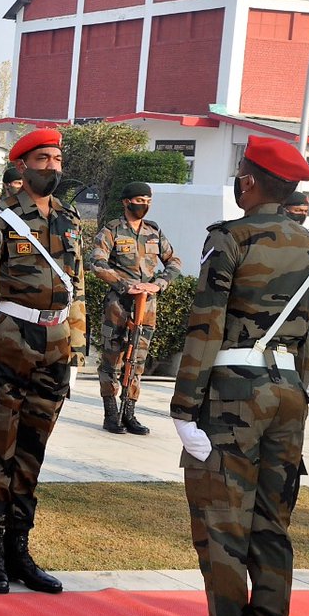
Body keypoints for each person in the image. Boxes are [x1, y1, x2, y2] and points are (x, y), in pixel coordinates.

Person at [171, 138, 309, 616]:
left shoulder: (230, 237)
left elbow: (206, 326)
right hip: (288, 391)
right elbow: (308, 333)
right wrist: (296, 387)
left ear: (249, 181)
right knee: (272, 526)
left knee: (223, 528)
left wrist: (184, 406)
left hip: (234, 393)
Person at [0, 127, 85, 596]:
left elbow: (77, 289)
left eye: (57, 159)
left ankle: (21, 548)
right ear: (20, 167)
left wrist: (76, 350)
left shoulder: (69, 219)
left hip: (55, 344)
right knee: (0, 448)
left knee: (32, 452)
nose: (53, 167)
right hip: (8, 341)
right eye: (43, 159)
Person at [90, 182, 182, 434]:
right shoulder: (112, 230)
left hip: (147, 305)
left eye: (148, 200)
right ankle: (111, 413)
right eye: (139, 200)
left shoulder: (154, 232)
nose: (144, 205)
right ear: (126, 202)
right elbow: (96, 262)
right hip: (119, 304)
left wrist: (159, 284)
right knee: (113, 356)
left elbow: (174, 261)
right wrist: (123, 285)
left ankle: (129, 412)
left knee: (138, 359)